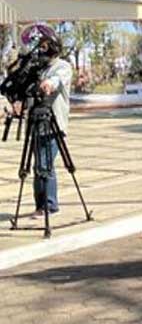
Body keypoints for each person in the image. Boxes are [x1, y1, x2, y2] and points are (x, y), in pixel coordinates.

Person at [28, 34, 72, 220]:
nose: (41, 50)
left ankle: (50, 206)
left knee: (45, 164)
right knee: (38, 166)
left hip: (54, 124)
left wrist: (48, 84)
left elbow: (56, 80)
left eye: (45, 47)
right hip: (37, 124)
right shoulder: (39, 68)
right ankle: (40, 205)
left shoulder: (62, 66)